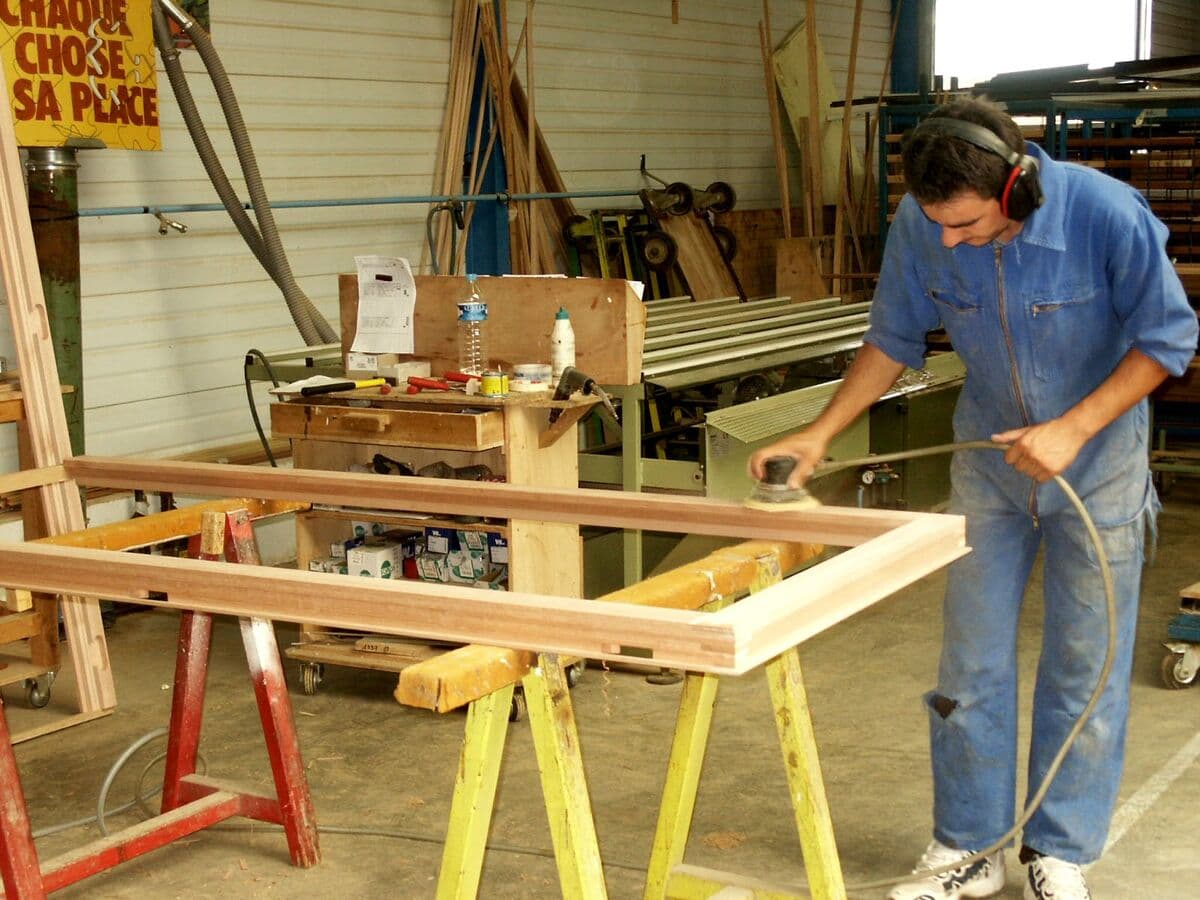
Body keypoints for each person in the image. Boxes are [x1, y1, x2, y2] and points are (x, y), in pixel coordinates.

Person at [750, 97, 1197, 900]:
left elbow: (1168, 339)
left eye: (967, 226)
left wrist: (1073, 427)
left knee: (1083, 665)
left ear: (1017, 188)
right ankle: (968, 847)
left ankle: (1059, 851)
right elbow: (892, 337)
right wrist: (818, 435)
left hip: (1097, 467)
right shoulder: (924, 222)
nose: (947, 241)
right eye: (937, 225)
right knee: (970, 663)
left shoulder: (1103, 214)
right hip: (988, 471)